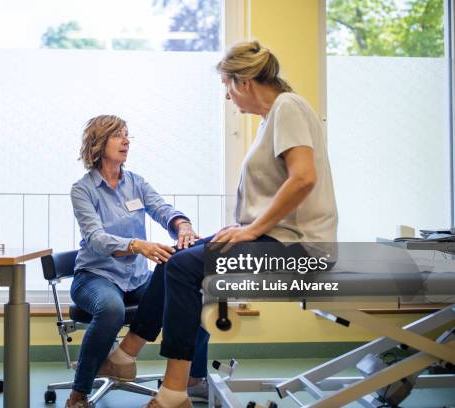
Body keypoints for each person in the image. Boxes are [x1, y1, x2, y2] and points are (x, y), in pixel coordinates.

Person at [101, 40, 339, 408]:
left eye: (227, 87)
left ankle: (170, 389)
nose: (228, 98)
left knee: (182, 266)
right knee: (177, 256)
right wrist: (248, 228)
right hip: (276, 239)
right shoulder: (273, 118)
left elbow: (303, 178)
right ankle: (130, 356)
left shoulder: (287, 107)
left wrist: (252, 229)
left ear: (243, 82)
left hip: (298, 248)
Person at [66, 115, 211, 408]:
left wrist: (182, 225)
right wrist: (136, 246)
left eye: (127, 135)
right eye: (118, 135)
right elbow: (95, 238)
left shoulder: (136, 183)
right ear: (98, 143)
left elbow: (162, 209)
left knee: (191, 300)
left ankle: (194, 381)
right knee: (110, 309)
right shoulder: (83, 190)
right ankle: (79, 393)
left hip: (136, 279)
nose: (126, 141)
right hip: (95, 276)